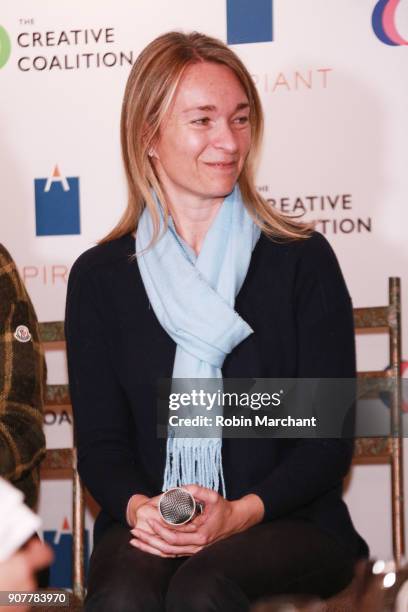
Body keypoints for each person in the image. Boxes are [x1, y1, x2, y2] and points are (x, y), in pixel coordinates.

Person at [65, 31, 369, 611]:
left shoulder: (300, 259)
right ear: (148, 136)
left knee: (202, 585)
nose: (228, 142)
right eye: (202, 121)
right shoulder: (101, 277)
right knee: (125, 592)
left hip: (291, 520)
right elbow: (102, 446)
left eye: (239, 119)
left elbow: (326, 443)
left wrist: (236, 514)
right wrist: (140, 510)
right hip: (152, 523)